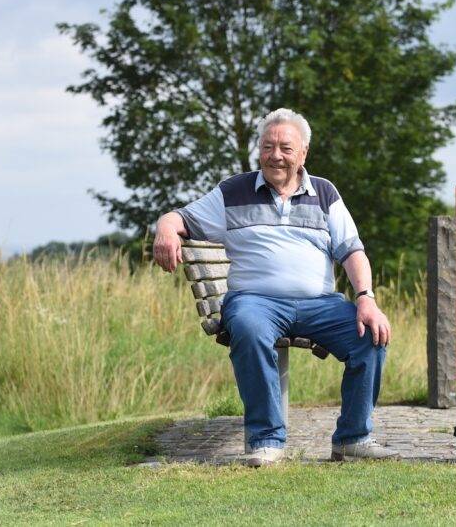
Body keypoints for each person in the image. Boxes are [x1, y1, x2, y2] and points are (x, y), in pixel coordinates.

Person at [153, 108, 398, 467]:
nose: (275, 155)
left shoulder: (325, 193)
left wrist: (366, 298)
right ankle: (266, 441)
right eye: (268, 146)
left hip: (320, 304)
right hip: (256, 302)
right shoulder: (233, 192)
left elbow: (352, 251)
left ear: (303, 154)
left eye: (285, 147)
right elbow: (180, 217)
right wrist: (165, 227)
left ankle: (352, 438)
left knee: (371, 334)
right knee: (250, 329)